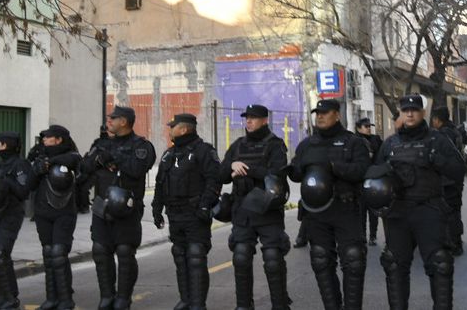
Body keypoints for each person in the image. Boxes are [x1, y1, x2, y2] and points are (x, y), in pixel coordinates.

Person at [377, 94, 466, 310]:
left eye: (414, 110)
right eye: (405, 110)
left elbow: (458, 170)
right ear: (400, 113)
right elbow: (375, 176)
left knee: (440, 264)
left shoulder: (437, 140)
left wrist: (438, 161)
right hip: (398, 213)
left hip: (429, 210)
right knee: (395, 266)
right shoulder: (390, 144)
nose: (409, 113)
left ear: (423, 113)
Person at [287, 98, 371, 310]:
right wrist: (294, 168)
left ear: (337, 115)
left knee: (353, 260)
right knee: (321, 260)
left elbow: (362, 171)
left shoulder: (354, 142)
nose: (320, 116)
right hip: (316, 213)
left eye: (325, 112)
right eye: (318, 113)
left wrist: (333, 167)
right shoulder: (307, 144)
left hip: (346, 208)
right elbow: (296, 174)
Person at [81, 105, 157, 310]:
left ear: (123, 121)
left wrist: (116, 159)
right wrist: (98, 159)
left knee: (124, 251)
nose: (109, 121)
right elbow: (85, 167)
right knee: (100, 250)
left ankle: (123, 297)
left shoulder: (141, 145)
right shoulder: (101, 143)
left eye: (113, 118)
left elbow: (136, 169)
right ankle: (106, 296)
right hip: (101, 207)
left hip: (127, 208)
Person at [219, 103, 291, 310]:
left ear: (265, 120)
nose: (248, 121)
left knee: (273, 258)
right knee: (240, 256)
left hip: (267, 208)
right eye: (246, 117)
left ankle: (280, 304)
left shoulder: (275, 145)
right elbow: (221, 174)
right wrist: (232, 165)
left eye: (253, 117)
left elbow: (276, 173)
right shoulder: (238, 145)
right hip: (242, 209)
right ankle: (243, 305)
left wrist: (247, 170)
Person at [153, 113, 221, 310]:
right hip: (175, 214)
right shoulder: (169, 154)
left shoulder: (203, 151)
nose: (169, 129)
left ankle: (198, 304)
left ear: (183, 129)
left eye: (172, 126)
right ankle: (186, 299)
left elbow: (213, 180)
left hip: (195, 214)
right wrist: (157, 209)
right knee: (179, 254)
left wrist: (204, 205)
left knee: (196, 255)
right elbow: (160, 184)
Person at [27, 125, 82, 309]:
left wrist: (52, 162)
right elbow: (29, 184)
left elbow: (76, 162)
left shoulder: (71, 156)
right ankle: (51, 298)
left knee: (59, 254)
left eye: (48, 137)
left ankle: (66, 299)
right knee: (49, 254)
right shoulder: (40, 157)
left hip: (64, 213)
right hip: (43, 212)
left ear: (58, 139)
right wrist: (37, 169)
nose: (44, 140)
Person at [0, 131, 33, 309]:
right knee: (2, 256)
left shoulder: (21, 164)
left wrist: (5, 180)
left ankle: (10, 299)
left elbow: (23, 191)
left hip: (12, 214)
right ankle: (6, 295)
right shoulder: (0, 164)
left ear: (5, 145)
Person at [429, 107, 467, 256]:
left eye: (433, 119)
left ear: (437, 119)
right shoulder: (457, 131)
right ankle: (456, 240)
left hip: (446, 179)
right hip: (457, 177)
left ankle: (452, 243)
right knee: (455, 209)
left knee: (447, 211)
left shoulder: (439, 136)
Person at [354, 117, 382, 246]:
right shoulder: (355, 141)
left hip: (374, 180)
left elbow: (382, 155)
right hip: (360, 181)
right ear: (359, 128)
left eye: (369, 126)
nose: (369, 128)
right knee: (361, 211)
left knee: (373, 211)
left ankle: (373, 236)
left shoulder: (376, 139)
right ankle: (362, 235)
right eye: (366, 126)